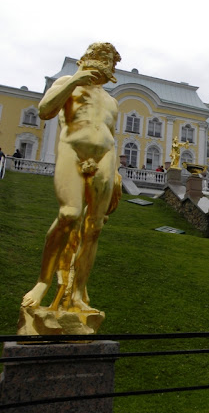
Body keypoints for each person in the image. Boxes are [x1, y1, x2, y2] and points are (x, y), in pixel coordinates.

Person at [22, 42, 123, 313]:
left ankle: (77, 292)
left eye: (110, 65)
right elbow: (45, 111)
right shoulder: (68, 81)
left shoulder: (112, 101)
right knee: (69, 214)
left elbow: (111, 136)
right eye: (100, 62)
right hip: (72, 150)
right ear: (86, 61)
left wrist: (114, 174)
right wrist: (74, 81)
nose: (104, 69)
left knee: (94, 228)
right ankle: (43, 282)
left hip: (105, 158)